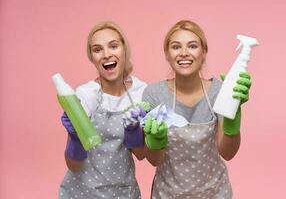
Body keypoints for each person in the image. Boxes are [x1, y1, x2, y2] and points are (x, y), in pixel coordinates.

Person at [142, 20, 252, 198]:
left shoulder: (219, 91)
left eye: (192, 46)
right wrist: (156, 141)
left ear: (204, 52)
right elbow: (154, 160)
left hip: (214, 192)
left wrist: (233, 121)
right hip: (168, 193)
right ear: (167, 54)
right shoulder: (154, 94)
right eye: (176, 47)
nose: (184, 53)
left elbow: (228, 153)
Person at [58, 21, 147, 199]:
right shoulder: (85, 95)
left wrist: (133, 132)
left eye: (113, 46)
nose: (106, 55)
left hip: (123, 192)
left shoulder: (141, 92)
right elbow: (73, 165)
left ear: (124, 49)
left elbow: (142, 155)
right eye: (97, 49)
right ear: (92, 57)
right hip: (82, 192)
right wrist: (76, 139)